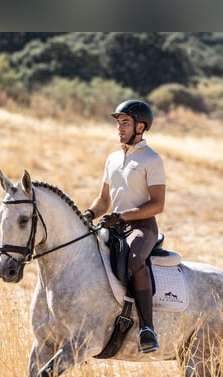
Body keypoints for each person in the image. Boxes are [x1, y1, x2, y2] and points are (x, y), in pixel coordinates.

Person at [83, 100, 166, 354]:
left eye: (125, 122)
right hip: (115, 225)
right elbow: (104, 200)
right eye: (118, 122)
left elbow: (158, 204)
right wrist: (89, 212)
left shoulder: (152, 160)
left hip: (142, 227)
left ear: (140, 126)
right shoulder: (113, 158)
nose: (120, 127)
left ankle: (147, 329)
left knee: (133, 259)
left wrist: (123, 216)